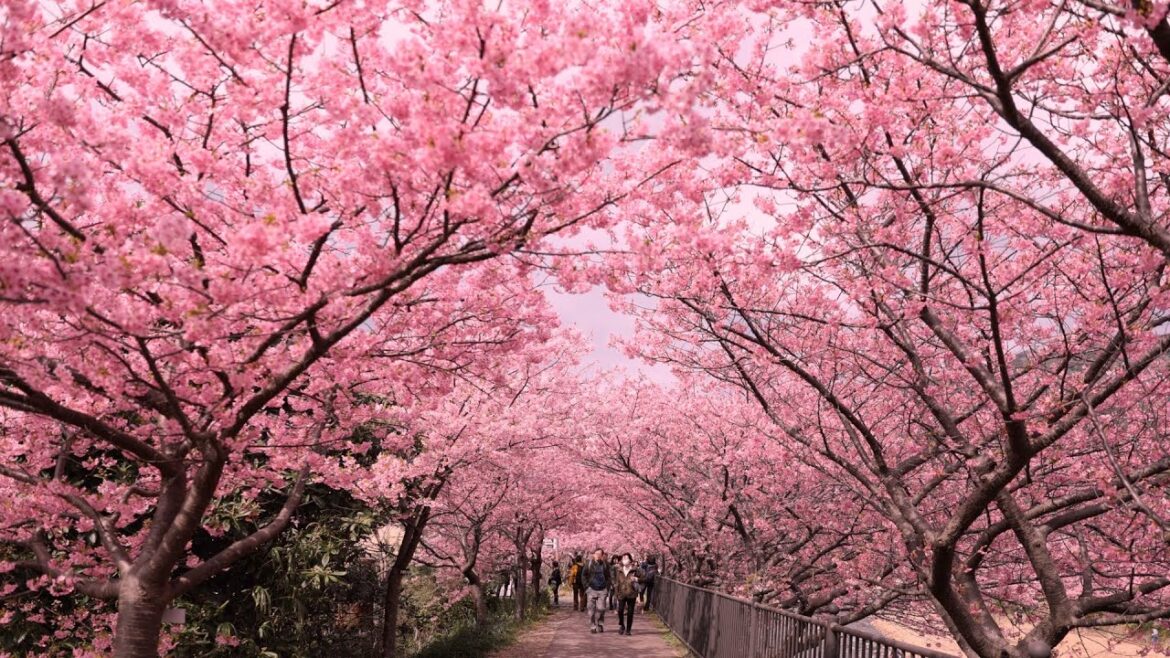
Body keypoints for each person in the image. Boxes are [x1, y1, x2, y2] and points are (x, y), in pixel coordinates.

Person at [578, 548, 612, 633]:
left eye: (600, 554)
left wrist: (607, 587)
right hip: (591, 589)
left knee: (602, 608)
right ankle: (592, 625)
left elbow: (609, 577)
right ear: (593, 555)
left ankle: (600, 623)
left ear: (602, 555)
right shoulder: (589, 564)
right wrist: (587, 587)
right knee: (591, 610)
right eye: (596, 554)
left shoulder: (605, 564)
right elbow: (583, 575)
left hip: (602, 590)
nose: (598, 555)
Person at [613, 553, 643, 635]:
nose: (624, 560)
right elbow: (617, 582)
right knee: (620, 610)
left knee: (630, 612)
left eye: (626, 558)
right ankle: (622, 625)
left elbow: (643, 578)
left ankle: (628, 629)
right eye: (623, 558)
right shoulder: (619, 570)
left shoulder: (635, 570)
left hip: (631, 593)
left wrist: (636, 579)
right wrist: (616, 593)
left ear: (630, 560)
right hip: (621, 593)